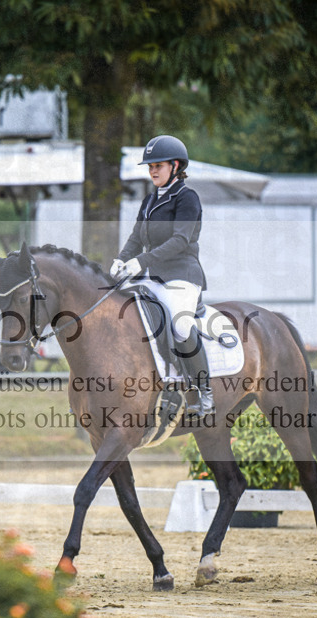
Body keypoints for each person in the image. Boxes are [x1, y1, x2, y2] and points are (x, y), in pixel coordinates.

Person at [110, 134, 213, 417]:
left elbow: (180, 241)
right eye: (150, 166)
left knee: (180, 326)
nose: (153, 170)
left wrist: (140, 261)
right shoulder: (149, 200)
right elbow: (136, 237)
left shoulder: (187, 198)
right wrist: (121, 260)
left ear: (176, 166)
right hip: (152, 276)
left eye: (159, 165)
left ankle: (203, 392)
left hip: (182, 275)